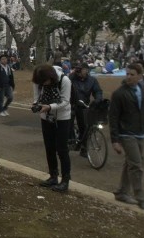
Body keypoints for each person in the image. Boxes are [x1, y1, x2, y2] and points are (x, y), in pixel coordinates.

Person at [109, 63, 144, 212]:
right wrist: (115, 140)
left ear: (140, 76)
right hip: (126, 134)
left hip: (140, 133)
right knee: (136, 165)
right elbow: (113, 118)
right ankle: (141, 198)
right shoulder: (119, 94)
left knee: (130, 163)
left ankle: (122, 191)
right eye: (127, 74)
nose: (128, 77)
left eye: (132, 74)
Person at [32, 64, 72, 193]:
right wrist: (36, 105)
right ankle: (53, 176)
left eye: (45, 82)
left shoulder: (64, 80)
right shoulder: (39, 81)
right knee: (49, 147)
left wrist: (50, 107)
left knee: (62, 149)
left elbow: (65, 101)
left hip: (62, 117)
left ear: (51, 77)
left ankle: (65, 180)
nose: (43, 85)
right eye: (40, 83)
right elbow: (36, 96)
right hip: (46, 117)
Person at [69, 63, 103, 156]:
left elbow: (98, 91)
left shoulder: (92, 80)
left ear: (87, 70)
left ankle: (84, 147)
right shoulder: (72, 78)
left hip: (84, 105)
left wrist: (98, 99)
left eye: (81, 69)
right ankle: (69, 141)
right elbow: (66, 85)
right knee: (68, 122)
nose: (79, 72)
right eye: (78, 70)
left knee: (85, 126)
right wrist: (73, 74)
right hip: (72, 104)